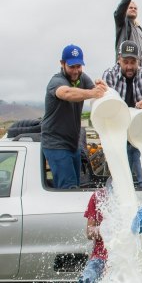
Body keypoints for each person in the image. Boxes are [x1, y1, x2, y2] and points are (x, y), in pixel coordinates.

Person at [42, 45, 108, 189]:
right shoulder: (56, 82)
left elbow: (97, 91)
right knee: (68, 189)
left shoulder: (82, 78)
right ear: (62, 63)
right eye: (72, 66)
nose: (76, 70)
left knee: (76, 187)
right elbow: (66, 93)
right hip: (56, 144)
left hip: (73, 144)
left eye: (79, 66)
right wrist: (92, 93)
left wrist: (102, 86)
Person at [103, 40, 142, 189]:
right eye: (125, 62)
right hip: (118, 134)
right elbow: (107, 98)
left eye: (132, 62)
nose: (129, 66)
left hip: (140, 134)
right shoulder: (109, 75)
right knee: (119, 178)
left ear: (138, 61)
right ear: (119, 59)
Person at [114, 0, 142, 69]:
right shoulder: (122, 24)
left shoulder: (140, 30)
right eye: (130, 7)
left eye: (135, 8)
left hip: (140, 72)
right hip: (125, 69)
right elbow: (119, 13)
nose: (133, 9)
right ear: (125, 10)